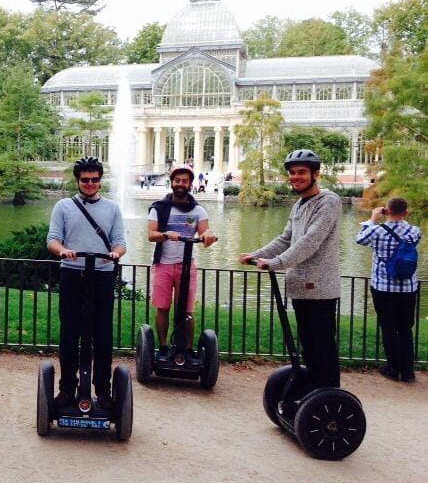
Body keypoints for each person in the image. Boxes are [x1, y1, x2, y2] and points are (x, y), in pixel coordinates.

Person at [240, 149, 342, 391]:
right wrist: (257, 255)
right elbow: (286, 239)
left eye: (302, 173)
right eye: (293, 173)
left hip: (320, 288)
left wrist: (275, 263)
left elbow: (310, 241)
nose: (296, 177)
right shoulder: (299, 205)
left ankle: (329, 400)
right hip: (299, 287)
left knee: (323, 348)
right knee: (309, 347)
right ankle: (313, 396)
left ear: (316, 174)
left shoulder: (329, 201)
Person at [46, 156, 126, 411]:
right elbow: (53, 240)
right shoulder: (63, 206)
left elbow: (120, 241)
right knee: (70, 333)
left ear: (100, 181)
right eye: (85, 180)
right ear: (77, 181)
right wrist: (63, 251)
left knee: (102, 335)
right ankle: (67, 389)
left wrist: (115, 253)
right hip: (72, 274)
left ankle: (103, 390)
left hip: (102, 276)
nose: (90, 184)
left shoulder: (112, 208)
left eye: (94, 180)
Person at [147, 164, 217, 365]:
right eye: (177, 180)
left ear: (190, 184)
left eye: (185, 181)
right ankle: (162, 347)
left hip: (187, 266)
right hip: (163, 264)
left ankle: (187, 350)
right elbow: (151, 235)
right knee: (163, 307)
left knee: (186, 309)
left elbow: (205, 232)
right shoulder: (159, 208)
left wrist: (208, 236)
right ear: (172, 183)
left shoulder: (198, 210)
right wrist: (165, 234)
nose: (181, 184)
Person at [355, 197, 421, 382]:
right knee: (406, 328)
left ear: (386, 211)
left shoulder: (376, 231)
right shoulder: (415, 231)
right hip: (408, 287)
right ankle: (408, 371)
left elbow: (359, 239)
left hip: (383, 287)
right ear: (406, 212)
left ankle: (393, 368)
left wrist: (373, 219)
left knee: (389, 327)